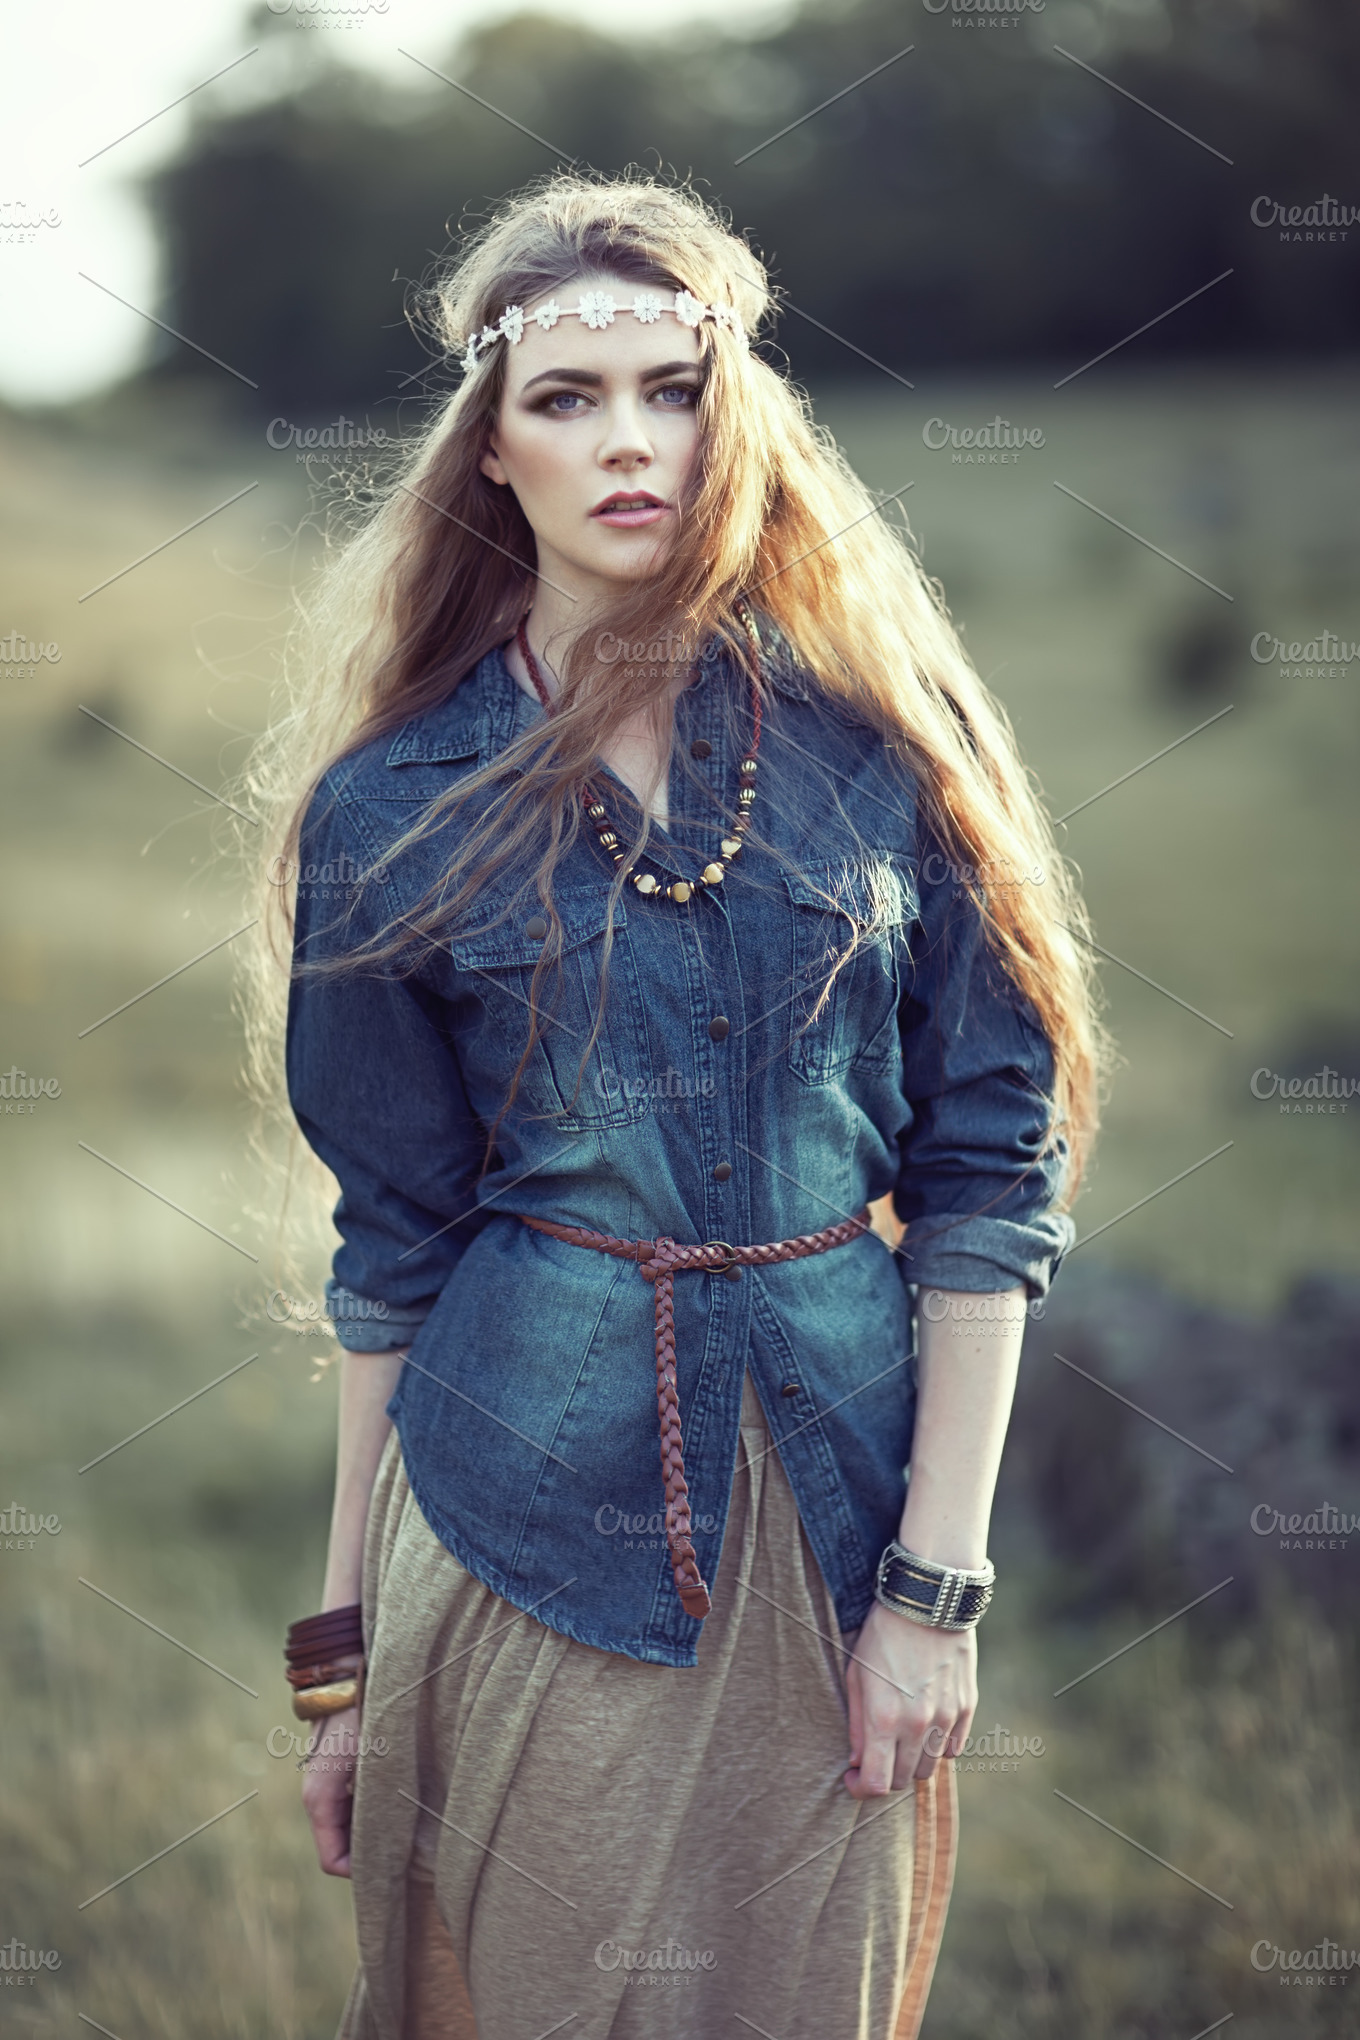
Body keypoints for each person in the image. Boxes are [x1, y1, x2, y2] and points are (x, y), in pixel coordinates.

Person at [259, 170, 1103, 2040]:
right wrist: (346, 1662)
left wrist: (934, 1592)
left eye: (672, 389)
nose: (627, 442)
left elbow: (986, 1176)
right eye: (566, 400)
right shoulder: (389, 806)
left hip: (837, 1524)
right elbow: (392, 1252)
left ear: (739, 417)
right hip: (503, 1525)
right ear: (492, 451)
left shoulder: (886, 752)